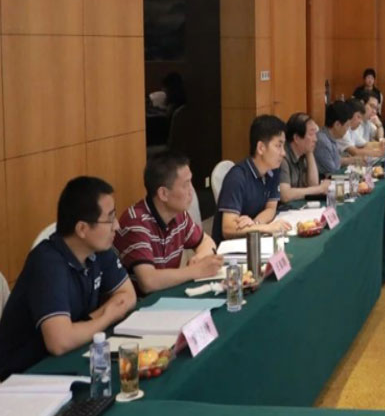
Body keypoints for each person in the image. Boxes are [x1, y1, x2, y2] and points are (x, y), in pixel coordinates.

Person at [0, 177, 137, 379]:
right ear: (82, 229)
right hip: (23, 375)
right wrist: (107, 316)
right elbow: (60, 342)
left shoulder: (99, 248)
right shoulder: (47, 263)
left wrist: (86, 324)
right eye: (109, 218)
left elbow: (128, 295)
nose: (116, 225)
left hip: (69, 357)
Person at [114, 152, 222, 294]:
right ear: (163, 194)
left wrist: (199, 258)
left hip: (166, 295)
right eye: (186, 185)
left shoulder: (179, 215)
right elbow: (148, 282)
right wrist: (195, 271)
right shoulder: (136, 222)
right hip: (141, 303)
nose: (192, 191)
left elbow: (206, 241)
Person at [214, 115, 292, 243]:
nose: (283, 153)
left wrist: (254, 224)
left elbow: (271, 208)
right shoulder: (237, 177)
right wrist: (265, 228)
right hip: (231, 248)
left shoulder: (273, 170)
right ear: (261, 148)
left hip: (252, 239)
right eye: (278, 146)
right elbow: (228, 229)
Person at [279, 113, 331, 203]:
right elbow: (285, 195)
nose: (315, 139)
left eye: (315, 134)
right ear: (296, 138)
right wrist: (320, 189)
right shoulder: (282, 157)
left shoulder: (303, 153)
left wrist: (309, 153)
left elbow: (313, 184)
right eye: (311, 134)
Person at [316, 100, 366, 174]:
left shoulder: (331, 137)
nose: (347, 129)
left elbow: (336, 160)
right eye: (347, 125)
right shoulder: (322, 142)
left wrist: (354, 160)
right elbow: (333, 171)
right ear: (337, 125)